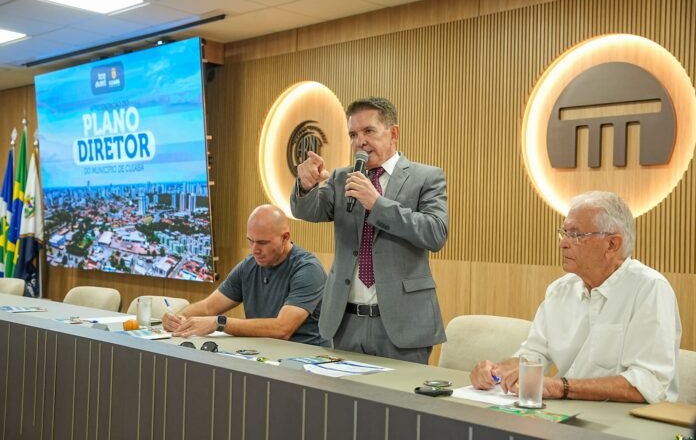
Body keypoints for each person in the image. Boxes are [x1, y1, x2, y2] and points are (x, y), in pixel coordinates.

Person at [470, 191, 681, 403]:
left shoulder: (650, 289)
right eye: (564, 233)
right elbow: (534, 354)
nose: (563, 243)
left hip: (628, 417)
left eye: (576, 235)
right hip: (567, 412)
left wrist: (561, 387)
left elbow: (648, 384)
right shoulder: (560, 290)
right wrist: (498, 370)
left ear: (612, 244)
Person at [290, 96, 448, 364]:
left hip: (402, 325)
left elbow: (435, 233)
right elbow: (309, 212)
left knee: (399, 393)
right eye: (353, 134)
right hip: (345, 322)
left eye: (368, 131)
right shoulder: (342, 178)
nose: (359, 141)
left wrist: (377, 205)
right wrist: (305, 186)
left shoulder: (426, 177)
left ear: (393, 133)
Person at [163, 204, 327, 346]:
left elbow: (282, 329)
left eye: (262, 243)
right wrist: (180, 317)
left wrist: (220, 323)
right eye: (250, 241)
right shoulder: (249, 265)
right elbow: (208, 307)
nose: (254, 250)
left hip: (303, 358)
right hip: (262, 352)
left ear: (285, 237)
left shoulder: (308, 269)